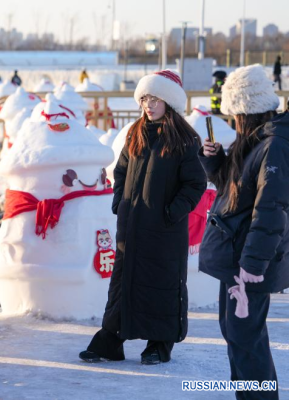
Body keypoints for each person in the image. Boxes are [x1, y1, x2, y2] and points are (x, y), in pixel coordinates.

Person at [79, 70, 207, 365]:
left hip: (164, 229)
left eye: (156, 98)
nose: (149, 104)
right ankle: (110, 340)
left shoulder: (184, 139)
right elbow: (121, 170)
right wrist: (120, 202)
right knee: (124, 282)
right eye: (145, 98)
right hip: (132, 226)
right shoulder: (135, 132)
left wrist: (171, 212)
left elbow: (195, 184)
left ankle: (158, 345)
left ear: (169, 102)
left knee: (160, 284)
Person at [199, 64, 289, 399]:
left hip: (248, 264)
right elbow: (235, 192)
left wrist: (252, 266)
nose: (233, 121)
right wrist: (215, 162)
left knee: (246, 339)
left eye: (235, 113)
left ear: (246, 110)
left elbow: (271, 211)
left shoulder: (274, 146)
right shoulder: (254, 141)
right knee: (237, 334)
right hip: (237, 258)